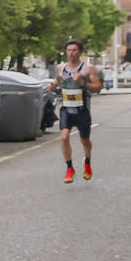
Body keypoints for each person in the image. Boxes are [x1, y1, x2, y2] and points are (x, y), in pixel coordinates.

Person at [43, 39, 100, 184]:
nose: (71, 53)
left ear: (80, 52)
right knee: (64, 137)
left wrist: (84, 83)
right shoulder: (61, 68)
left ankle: (87, 161)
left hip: (82, 109)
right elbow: (57, 80)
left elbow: (98, 86)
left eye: (74, 50)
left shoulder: (87, 69)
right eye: (69, 50)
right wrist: (52, 85)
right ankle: (69, 168)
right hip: (66, 109)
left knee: (84, 140)